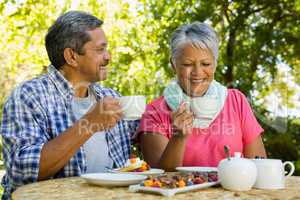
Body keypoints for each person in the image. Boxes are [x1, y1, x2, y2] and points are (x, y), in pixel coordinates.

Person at [0, 11, 138, 199]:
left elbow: (145, 137)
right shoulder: (29, 96)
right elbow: (21, 170)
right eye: (100, 50)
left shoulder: (110, 97)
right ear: (72, 56)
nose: (108, 56)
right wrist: (89, 124)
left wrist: (170, 121)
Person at [138, 22, 266, 171]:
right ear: (173, 65)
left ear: (215, 65)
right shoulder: (155, 112)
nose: (197, 72)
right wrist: (178, 138)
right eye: (187, 64)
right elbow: (158, 177)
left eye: (206, 64)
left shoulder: (236, 101)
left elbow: (260, 166)